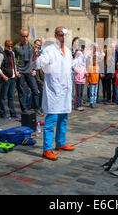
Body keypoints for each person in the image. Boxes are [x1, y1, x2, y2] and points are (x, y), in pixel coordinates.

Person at [32, 27, 87, 161]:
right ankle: (47, 149)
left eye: (65, 35)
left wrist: (84, 57)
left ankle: (61, 143)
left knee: (64, 118)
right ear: (56, 35)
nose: (63, 37)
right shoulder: (50, 50)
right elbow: (38, 64)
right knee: (51, 120)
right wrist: (35, 55)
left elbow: (72, 65)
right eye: (61, 35)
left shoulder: (67, 51)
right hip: (54, 90)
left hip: (65, 90)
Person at [14, 29, 42, 116]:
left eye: (26, 36)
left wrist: (34, 55)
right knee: (21, 91)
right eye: (23, 36)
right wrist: (15, 71)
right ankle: (24, 109)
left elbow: (33, 60)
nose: (25, 38)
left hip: (29, 71)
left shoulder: (31, 46)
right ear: (20, 36)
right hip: (20, 72)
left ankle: (36, 108)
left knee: (35, 90)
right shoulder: (17, 47)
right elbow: (13, 60)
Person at [0, 40, 21, 120]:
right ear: (5, 46)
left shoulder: (12, 53)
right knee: (3, 97)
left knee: (11, 97)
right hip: (5, 78)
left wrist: (16, 72)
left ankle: (13, 113)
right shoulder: (1, 55)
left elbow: (14, 65)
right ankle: (3, 114)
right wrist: (3, 76)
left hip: (12, 77)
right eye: (8, 46)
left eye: (11, 46)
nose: (10, 48)